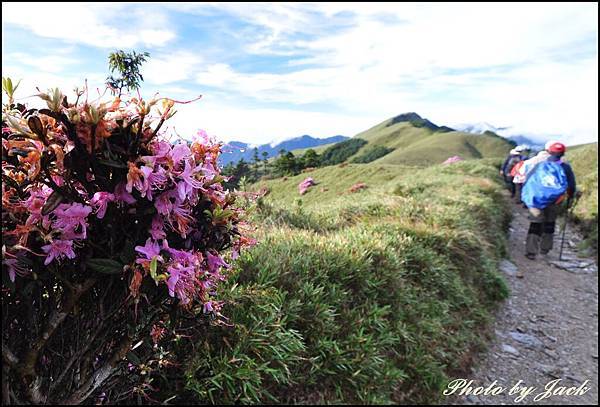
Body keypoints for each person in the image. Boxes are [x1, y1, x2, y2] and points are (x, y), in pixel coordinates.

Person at [520, 141, 576, 261]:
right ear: (562, 153)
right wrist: (570, 197)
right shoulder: (565, 167)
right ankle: (545, 249)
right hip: (555, 201)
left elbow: (527, 180)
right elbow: (571, 186)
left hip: (537, 200)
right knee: (550, 224)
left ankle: (531, 251)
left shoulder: (539, 164)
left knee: (535, 224)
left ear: (549, 151)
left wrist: (527, 197)